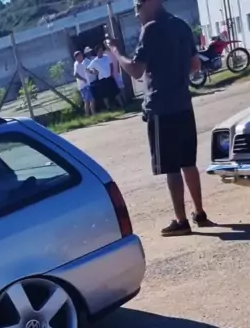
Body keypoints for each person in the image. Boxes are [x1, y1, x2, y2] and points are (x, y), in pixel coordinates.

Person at [111, 0, 209, 236]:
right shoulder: (181, 25)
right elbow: (195, 64)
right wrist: (175, 74)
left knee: (171, 167)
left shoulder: (151, 29)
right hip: (183, 104)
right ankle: (200, 213)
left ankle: (181, 221)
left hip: (161, 109)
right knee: (188, 162)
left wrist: (116, 53)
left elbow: (136, 70)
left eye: (138, 6)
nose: (137, 13)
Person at [88, 45, 119, 112]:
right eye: (100, 51)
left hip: (109, 77)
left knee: (115, 91)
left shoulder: (106, 57)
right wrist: (93, 72)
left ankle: (120, 105)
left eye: (102, 50)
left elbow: (111, 64)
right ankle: (108, 108)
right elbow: (87, 69)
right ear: (97, 52)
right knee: (105, 95)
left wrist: (112, 73)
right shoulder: (95, 61)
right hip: (102, 79)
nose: (101, 52)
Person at [73, 49, 95, 116]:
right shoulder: (77, 64)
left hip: (86, 84)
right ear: (77, 57)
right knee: (91, 100)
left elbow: (86, 69)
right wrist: (83, 79)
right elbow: (75, 74)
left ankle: (88, 114)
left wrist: (92, 71)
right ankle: (93, 114)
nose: (82, 57)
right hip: (84, 85)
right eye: (80, 56)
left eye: (81, 55)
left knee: (87, 100)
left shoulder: (82, 63)